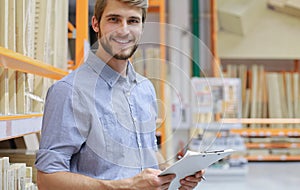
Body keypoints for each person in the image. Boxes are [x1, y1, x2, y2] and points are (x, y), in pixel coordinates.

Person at [35, 0, 204, 189]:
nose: (124, 31)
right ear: (96, 23)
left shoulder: (144, 88)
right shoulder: (68, 91)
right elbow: (47, 179)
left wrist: (175, 173)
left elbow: (147, 153)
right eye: (114, 19)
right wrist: (126, 186)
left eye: (133, 21)